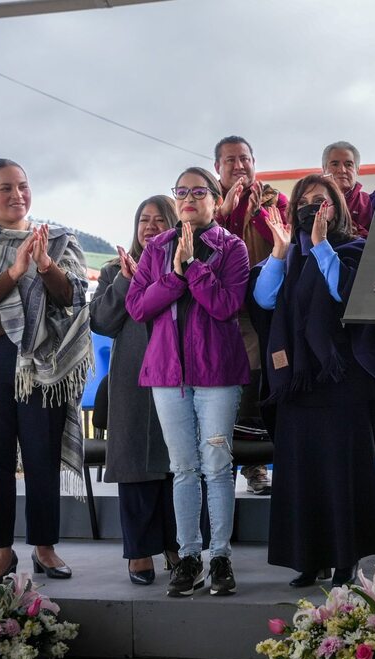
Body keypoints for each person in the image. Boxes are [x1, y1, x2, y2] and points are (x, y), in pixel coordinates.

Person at [0, 158, 91, 581]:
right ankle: (1, 551)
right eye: (5, 188)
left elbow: (73, 298)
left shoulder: (60, 240)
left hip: (42, 366)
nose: (17, 195)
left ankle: (44, 548)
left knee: (42, 456)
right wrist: (14, 271)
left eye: (23, 186)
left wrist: (45, 265)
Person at [250, 173, 375, 588]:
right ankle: (308, 558)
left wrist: (321, 248)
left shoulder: (355, 249)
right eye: (305, 200)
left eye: (323, 199)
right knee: (303, 474)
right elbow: (264, 301)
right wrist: (279, 255)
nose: (313, 207)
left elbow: (349, 296)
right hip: (300, 385)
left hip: (344, 382)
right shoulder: (287, 254)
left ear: (338, 207)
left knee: (342, 473)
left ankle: (346, 558)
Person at [126, 167, 250, 597]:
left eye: (199, 191)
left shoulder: (231, 248)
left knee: (216, 466)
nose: (189, 198)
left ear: (216, 200)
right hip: (168, 375)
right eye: (182, 191)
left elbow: (226, 305)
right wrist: (174, 276)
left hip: (217, 374)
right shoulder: (156, 248)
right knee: (183, 469)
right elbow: (138, 307)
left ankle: (220, 556)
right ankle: (189, 556)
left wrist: (194, 267)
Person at [89, 195, 180, 585]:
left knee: (177, 464)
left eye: (160, 220)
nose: (150, 226)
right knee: (135, 466)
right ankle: (140, 552)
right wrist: (127, 278)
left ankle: (179, 547)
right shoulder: (113, 271)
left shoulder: (184, 264)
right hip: (132, 379)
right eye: (144, 219)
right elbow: (102, 321)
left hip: (177, 374)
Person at [213, 135, 289, 496]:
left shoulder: (275, 200)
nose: (239, 166)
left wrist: (256, 213)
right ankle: (218, 466)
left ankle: (255, 464)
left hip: (259, 313)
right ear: (218, 168)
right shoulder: (207, 203)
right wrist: (224, 213)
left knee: (256, 384)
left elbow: (282, 241)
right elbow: (204, 244)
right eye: (230, 160)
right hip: (216, 312)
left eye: (244, 159)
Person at [322, 141, 372, 237]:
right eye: (335, 164)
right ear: (324, 169)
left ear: (357, 170)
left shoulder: (369, 202)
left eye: (348, 164)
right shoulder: (312, 200)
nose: (342, 170)